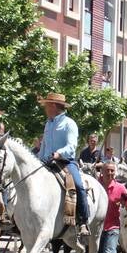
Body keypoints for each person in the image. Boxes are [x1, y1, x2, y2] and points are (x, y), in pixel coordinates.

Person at [36, 93, 89, 238]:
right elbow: (44, 147)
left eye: (46, 105)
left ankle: (83, 221)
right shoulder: (48, 124)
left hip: (65, 162)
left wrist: (59, 153)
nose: (45, 108)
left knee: (78, 186)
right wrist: (37, 160)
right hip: (46, 162)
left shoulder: (69, 123)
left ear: (53, 106)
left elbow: (71, 146)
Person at [96, 162, 127, 253]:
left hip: (113, 227)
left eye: (112, 171)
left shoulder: (120, 188)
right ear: (102, 172)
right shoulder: (95, 186)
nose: (110, 173)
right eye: (107, 171)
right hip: (96, 228)